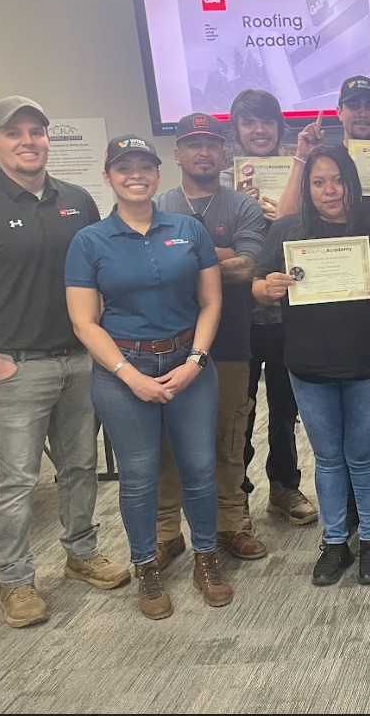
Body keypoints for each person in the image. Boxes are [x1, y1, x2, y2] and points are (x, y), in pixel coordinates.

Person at [0, 96, 129, 629]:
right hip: (16, 367)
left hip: (79, 359)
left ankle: (81, 553)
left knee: (79, 468)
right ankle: (17, 582)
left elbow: (98, 273)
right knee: (17, 481)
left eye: (37, 131)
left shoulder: (78, 200)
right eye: (15, 132)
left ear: (49, 139)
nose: (28, 140)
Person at [65, 134, 231, 619]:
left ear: (158, 174)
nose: (135, 174)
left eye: (144, 166)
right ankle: (146, 567)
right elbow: (83, 322)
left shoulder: (187, 229)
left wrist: (195, 362)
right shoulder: (89, 241)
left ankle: (206, 557)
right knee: (137, 476)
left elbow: (212, 302)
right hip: (122, 371)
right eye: (123, 167)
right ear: (108, 177)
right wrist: (127, 375)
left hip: (189, 362)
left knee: (199, 468)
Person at [277, 75, 370, 537]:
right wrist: (302, 157)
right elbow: (285, 221)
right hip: (323, 318)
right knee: (336, 430)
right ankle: (350, 515)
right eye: (352, 105)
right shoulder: (322, 164)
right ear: (340, 112)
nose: (361, 113)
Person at [253, 144, 370, 586]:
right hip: (308, 366)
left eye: (337, 180)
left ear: (351, 184)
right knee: (328, 458)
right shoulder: (286, 231)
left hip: (368, 364)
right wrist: (271, 287)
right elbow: (258, 289)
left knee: (363, 456)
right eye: (319, 182)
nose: (329, 190)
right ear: (308, 186)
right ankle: (335, 542)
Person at [152, 113, 268, 564]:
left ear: (225, 154)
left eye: (212, 144)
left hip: (231, 342)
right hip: (166, 345)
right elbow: (141, 269)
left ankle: (231, 524)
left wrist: (180, 259)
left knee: (230, 436)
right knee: (166, 440)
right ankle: (166, 531)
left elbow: (247, 269)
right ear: (177, 153)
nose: (203, 152)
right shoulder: (157, 205)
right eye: (192, 143)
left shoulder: (243, 207)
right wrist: (219, 256)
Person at [224, 90, 319, 528]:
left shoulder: (299, 171)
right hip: (238, 316)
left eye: (266, 122)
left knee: (285, 407)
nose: (259, 131)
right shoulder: (224, 183)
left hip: (287, 313)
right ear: (237, 130)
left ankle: (284, 487)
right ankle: (236, 494)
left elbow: (300, 227)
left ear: (279, 127)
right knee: (239, 409)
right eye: (249, 123)